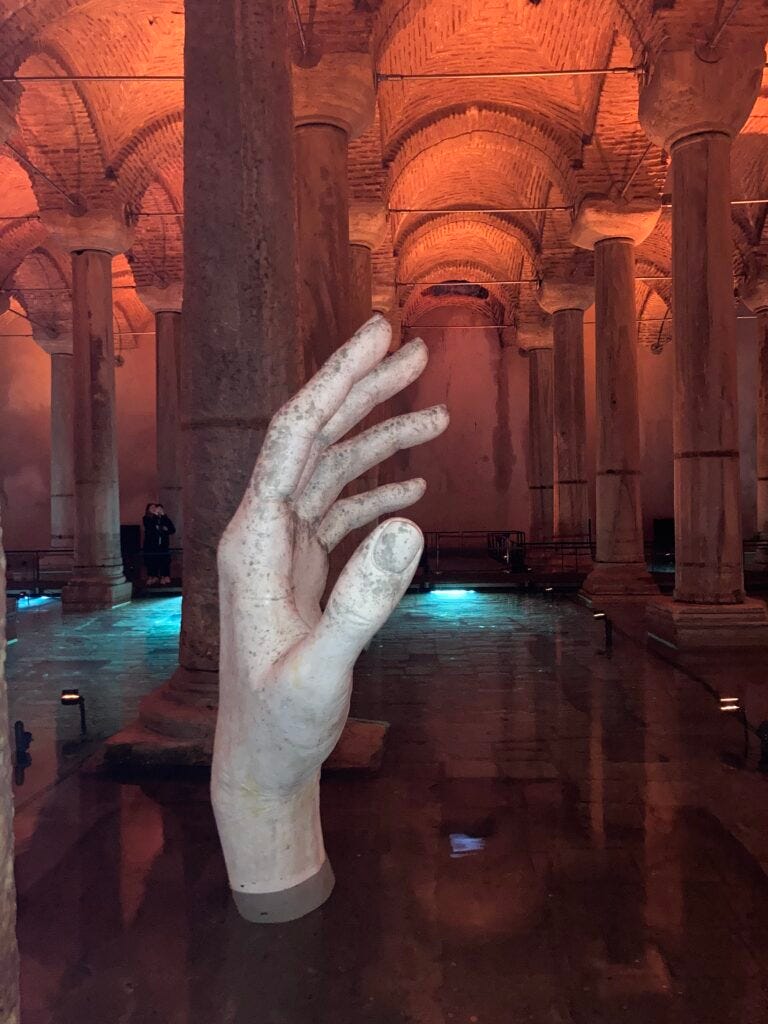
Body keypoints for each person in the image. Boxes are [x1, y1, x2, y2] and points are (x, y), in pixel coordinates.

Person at [142, 503, 176, 585]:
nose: (155, 509)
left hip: (163, 544)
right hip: (151, 545)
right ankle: (153, 577)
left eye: (159, 509)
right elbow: (152, 528)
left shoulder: (164, 518)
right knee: (152, 561)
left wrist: (164, 516)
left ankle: (165, 576)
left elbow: (172, 529)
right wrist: (161, 527)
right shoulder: (146, 518)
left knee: (164, 561)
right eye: (152, 508)